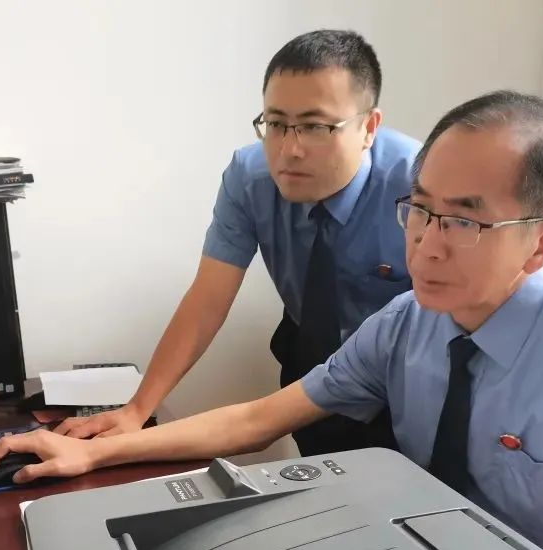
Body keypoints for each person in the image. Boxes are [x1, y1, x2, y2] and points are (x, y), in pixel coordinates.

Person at [0, 91, 543, 550]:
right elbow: (260, 419)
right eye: (421, 208)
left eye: (464, 221)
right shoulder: (408, 322)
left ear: (542, 242)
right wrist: (95, 451)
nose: (425, 245)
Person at [54, 29, 422, 455]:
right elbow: (208, 298)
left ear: (369, 127)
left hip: (405, 373)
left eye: (315, 127)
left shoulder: (421, 186)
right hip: (310, 356)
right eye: (276, 124)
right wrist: (136, 411)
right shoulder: (251, 177)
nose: (290, 150)